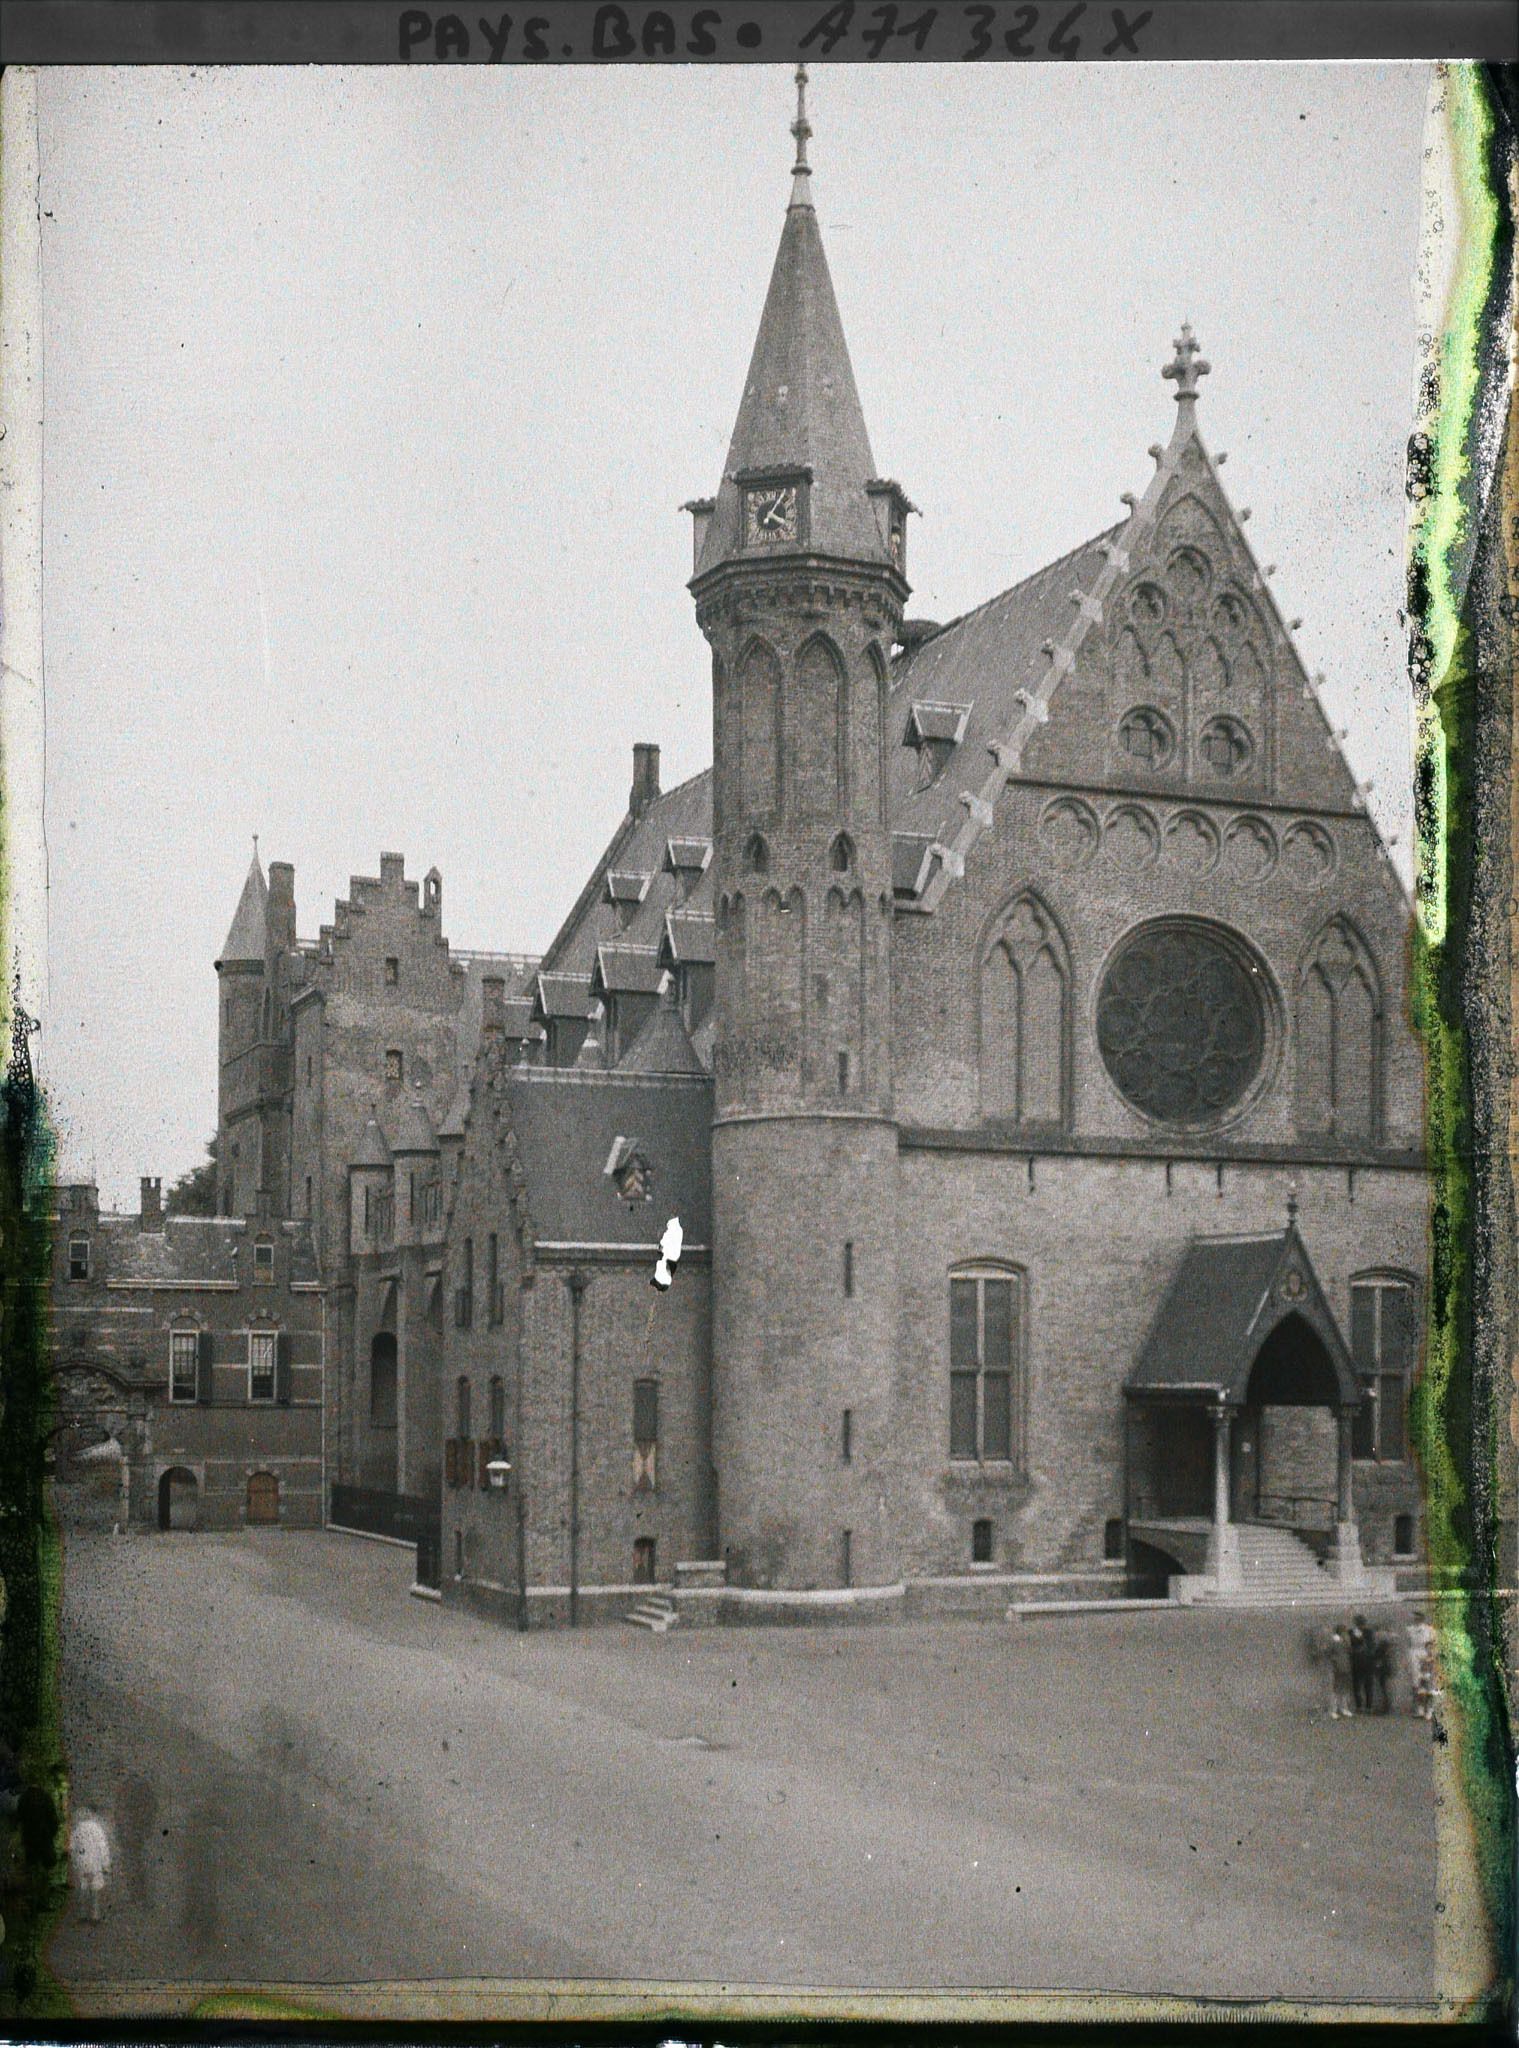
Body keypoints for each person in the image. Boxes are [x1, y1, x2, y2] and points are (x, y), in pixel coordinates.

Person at [68, 1811, 111, 1924]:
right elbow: (103, 1848)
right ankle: (95, 1915)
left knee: (83, 1887)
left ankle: (82, 1914)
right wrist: (106, 1865)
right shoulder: (97, 1829)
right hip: (95, 1863)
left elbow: (72, 1847)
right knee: (95, 1888)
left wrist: (74, 1862)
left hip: (81, 1862)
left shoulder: (77, 1830)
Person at [1406, 1610, 1437, 1719]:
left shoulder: (1429, 1630)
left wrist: (1431, 1656)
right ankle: (1419, 1708)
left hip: (1426, 1654)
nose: (1415, 1619)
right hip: (1414, 1655)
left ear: (1422, 1618)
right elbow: (1408, 1645)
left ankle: (1429, 1709)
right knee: (1416, 1683)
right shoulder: (1409, 1630)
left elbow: (1433, 1644)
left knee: (1428, 1683)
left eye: (1418, 1617)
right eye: (1414, 1617)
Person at [1348, 1613, 1374, 1715]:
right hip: (1365, 1661)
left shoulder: (1351, 1632)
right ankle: (1367, 1706)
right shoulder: (1369, 1632)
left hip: (1358, 1661)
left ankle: (1361, 1706)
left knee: (1359, 1685)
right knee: (1365, 1685)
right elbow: (1371, 1646)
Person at [1327, 1623, 1355, 1719]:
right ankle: (1334, 1710)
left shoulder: (1343, 1641)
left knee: (1344, 1689)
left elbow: (1349, 1651)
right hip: (1338, 1667)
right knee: (1337, 1689)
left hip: (1344, 1666)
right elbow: (1330, 1653)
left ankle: (1343, 1708)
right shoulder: (1335, 1641)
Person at [1371, 1626, 1393, 1714]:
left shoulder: (1380, 1647)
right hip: (1385, 1668)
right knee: (1384, 1687)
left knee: (1381, 1688)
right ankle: (1385, 1706)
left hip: (1381, 1668)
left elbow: (1376, 1657)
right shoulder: (1386, 1647)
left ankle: (1383, 1707)